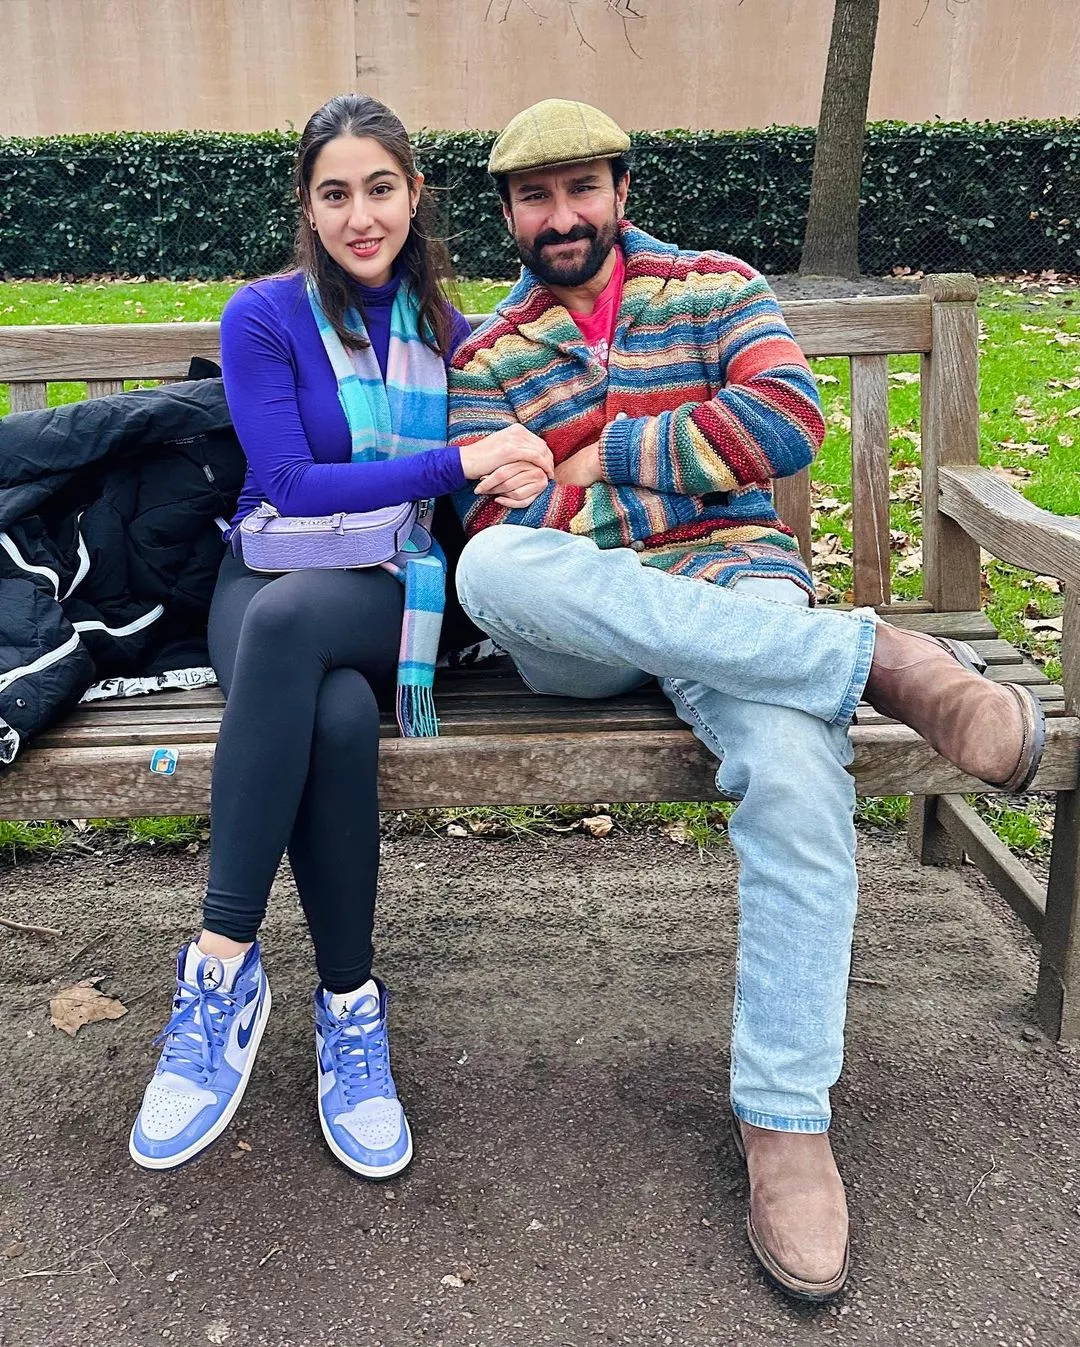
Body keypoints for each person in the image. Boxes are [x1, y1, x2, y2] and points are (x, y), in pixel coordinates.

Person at [447, 99, 1045, 1300]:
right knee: (493, 568)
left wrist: (602, 456)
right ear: (508, 212)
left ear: (621, 188)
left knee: (795, 768)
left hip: (737, 586)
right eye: (534, 196)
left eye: (581, 187)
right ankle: (872, 662)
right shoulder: (485, 358)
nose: (561, 215)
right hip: (588, 632)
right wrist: (675, 470)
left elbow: (785, 421)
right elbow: (502, 516)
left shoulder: (717, 287)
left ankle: (785, 1121)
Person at [128, 94, 552, 1177]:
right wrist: (457, 461)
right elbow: (287, 482)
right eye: (335, 194)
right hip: (271, 567)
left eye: (379, 188)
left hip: (400, 586)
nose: (360, 216)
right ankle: (345, 1005)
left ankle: (220, 965)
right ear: (308, 208)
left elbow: (507, 460)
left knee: (300, 642)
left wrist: (508, 470)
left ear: (414, 194)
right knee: (336, 710)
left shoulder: (457, 335)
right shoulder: (263, 317)